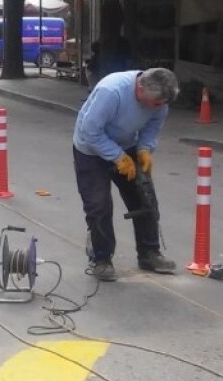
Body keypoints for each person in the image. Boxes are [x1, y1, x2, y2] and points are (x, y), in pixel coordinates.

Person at [72, 67, 179, 281]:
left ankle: (149, 252)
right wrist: (117, 157)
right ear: (140, 89)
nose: (158, 108)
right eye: (155, 103)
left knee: (144, 197)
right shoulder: (111, 92)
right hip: (91, 149)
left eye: (162, 104)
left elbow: (153, 126)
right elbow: (89, 131)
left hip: (127, 144)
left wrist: (144, 149)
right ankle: (101, 258)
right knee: (99, 204)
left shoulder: (160, 101)